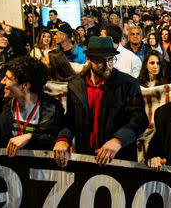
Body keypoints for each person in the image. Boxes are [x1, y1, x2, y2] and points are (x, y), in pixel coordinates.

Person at [53, 37, 148, 167]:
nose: (107, 65)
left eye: (110, 59)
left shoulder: (127, 84)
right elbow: (70, 119)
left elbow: (139, 119)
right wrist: (63, 139)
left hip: (119, 160)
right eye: (101, 61)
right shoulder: (75, 85)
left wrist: (118, 140)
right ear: (88, 59)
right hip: (86, 159)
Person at [0, 56, 64, 157]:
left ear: (24, 86)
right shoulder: (3, 105)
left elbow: (51, 138)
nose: (2, 81)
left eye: (8, 78)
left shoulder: (53, 109)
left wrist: (31, 137)